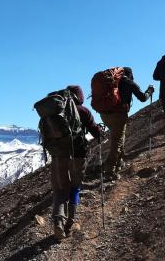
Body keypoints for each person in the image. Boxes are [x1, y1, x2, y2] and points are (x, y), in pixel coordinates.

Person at [50, 85, 101, 240]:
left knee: (60, 189)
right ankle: (69, 223)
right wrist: (99, 131)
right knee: (75, 187)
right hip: (78, 154)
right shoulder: (83, 111)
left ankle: (58, 221)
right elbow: (95, 131)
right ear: (79, 96)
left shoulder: (54, 111)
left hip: (58, 156)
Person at [99, 68, 154, 180]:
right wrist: (149, 91)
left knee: (118, 137)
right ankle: (109, 170)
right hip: (118, 114)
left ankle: (119, 161)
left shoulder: (110, 81)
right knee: (117, 141)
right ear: (130, 74)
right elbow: (143, 98)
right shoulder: (128, 81)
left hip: (104, 114)